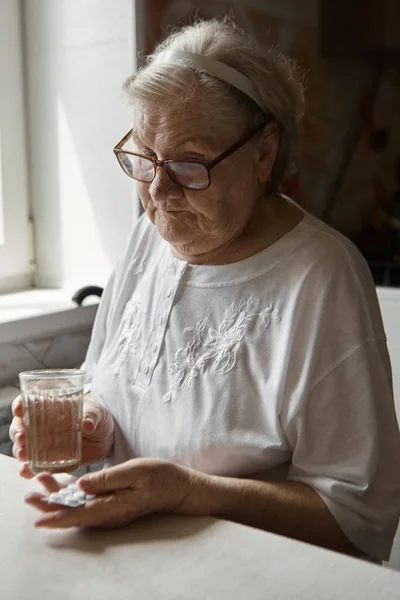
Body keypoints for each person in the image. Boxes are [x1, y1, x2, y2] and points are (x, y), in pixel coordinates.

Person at [9, 17, 400, 562]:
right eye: (144, 159)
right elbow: (109, 388)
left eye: (189, 165)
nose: (160, 192)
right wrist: (90, 425)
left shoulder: (320, 277)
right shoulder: (151, 235)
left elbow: (358, 521)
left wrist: (190, 493)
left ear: (264, 153)